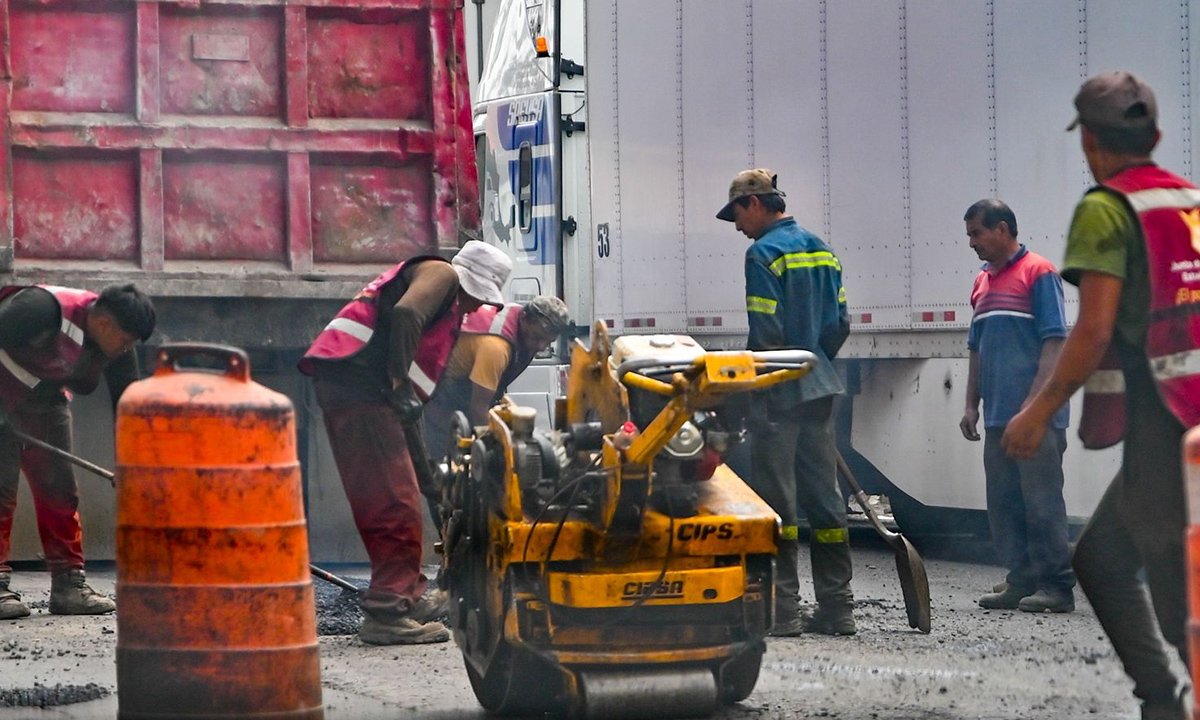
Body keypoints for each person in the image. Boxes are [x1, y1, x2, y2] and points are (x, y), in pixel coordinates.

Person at [1003, 71, 1193, 719]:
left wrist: (1039, 411)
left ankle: (1171, 700)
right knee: (1106, 559)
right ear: (1157, 136)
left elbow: (1093, 329)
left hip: (1169, 427)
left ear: (1087, 140)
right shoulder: (1187, 201)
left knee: (1177, 600)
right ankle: (1162, 701)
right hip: (1185, 422)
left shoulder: (1105, 207)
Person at [299, 240, 512, 646]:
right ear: (467, 281)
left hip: (363, 391)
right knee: (392, 501)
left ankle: (407, 595)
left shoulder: (443, 314)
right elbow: (406, 312)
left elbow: (408, 408)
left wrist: (429, 478)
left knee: (401, 494)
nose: (472, 310)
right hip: (362, 388)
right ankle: (387, 613)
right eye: (476, 299)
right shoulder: (443, 275)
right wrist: (398, 384)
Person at [717, 168, 855, 636]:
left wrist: (760, 389)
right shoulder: (822, 248)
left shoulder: (763, 254)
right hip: (820, 385)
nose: (738, 227)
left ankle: (784, 610)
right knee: (826, 500)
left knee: (778, 504)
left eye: (737, 214)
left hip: (779, 391)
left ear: (754, 203)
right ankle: (838, 608)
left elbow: (766, 334)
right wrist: (816, 363)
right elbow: (839, 324)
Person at [0, 283, 156, 620]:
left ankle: (69, 586)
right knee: (0, 490)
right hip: (2, 394)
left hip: (45, 403)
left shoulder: (115, 347)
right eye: (125, 340)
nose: (125, 349)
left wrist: (138, 465)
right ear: (104, 324)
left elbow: (128, 406)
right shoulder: (41, 308)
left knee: (59, 491)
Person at [958, 199, 1075, 613]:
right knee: (1004, 503)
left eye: (977, 233)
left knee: (1042, 503)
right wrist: (971, 404)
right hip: (997, 418)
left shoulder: (1039, 273)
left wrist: (1034, 407)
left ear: (1003, 228)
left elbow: (1054, 343)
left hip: (1035, 418)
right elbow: (976, 349)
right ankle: (1020, 580)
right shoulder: (982, 282)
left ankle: (1056, 587)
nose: (971, 242)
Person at [421, 295, 570, 456]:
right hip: (440, 395)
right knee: (443, 458)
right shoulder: (496, 348)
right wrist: (495, 451)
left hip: (465, 391)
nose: (541, 346)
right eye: (536, 337)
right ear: (524, 318)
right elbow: (479, 408)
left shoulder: (521, 321)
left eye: (548, 342)